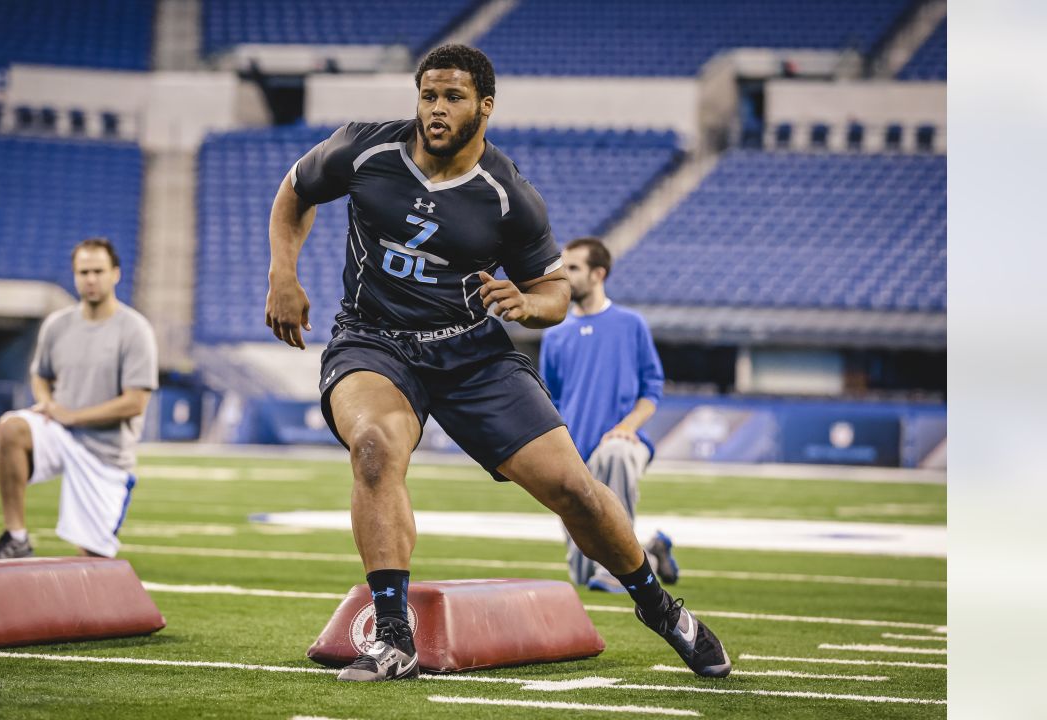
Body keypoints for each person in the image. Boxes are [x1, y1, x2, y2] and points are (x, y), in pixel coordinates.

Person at [264, 44, 730, 681]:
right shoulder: (362, 149)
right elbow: (294, 191)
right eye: (428, 95)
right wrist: (282, 274)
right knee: (373, 447)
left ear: (484, 106)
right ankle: (394, 635)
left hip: (472, 353)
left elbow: (556, 292)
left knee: (576, 493)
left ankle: (662, 611)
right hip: (373, 341)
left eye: (452, 97)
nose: (436, 108)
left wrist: (528, 305)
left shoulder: (509, 195)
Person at [0, 237, 158, 560]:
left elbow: (135, 402)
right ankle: (16, 537)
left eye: (98, 271)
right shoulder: (57, 325)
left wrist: (72, 415)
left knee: (92, 561)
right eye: (83, 271)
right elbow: (40, 374)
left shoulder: (134, 330)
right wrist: (47, 403)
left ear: (115, 273)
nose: (90, 279)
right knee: (11, 427)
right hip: (60, 434)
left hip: (105, 453)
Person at [540, 237, 680, 594]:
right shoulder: (555, 334)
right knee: (581, 574)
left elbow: (652, 389)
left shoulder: (631, 324)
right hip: (576, 450)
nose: (565, 276)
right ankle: (650, 548)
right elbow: (550, 399)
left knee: (615, 454)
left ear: (598, 273)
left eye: (573, 268)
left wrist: (626, 428)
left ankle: (617, 570)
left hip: (625, 442)